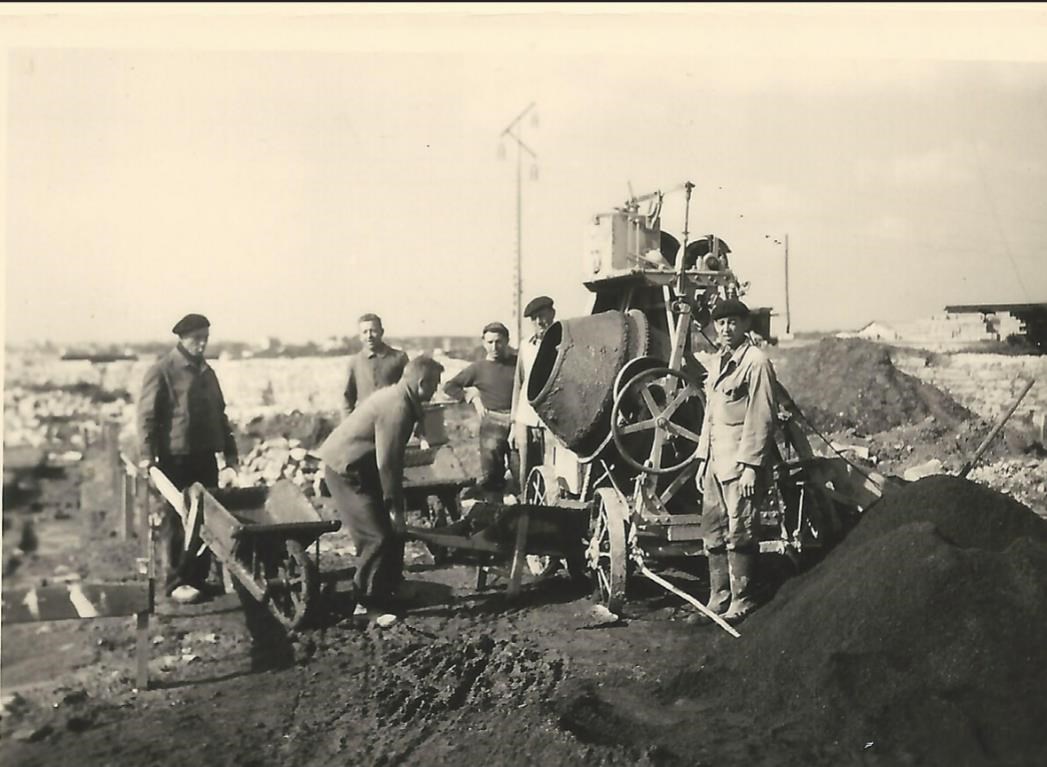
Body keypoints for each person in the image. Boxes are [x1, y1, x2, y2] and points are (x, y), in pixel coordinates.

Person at [315, 355, 444, 613]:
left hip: (362, 469)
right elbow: (388, 463)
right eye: (435, 383)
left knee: (393, 532)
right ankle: (366, 604)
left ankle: (391, 587)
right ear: (422, 383)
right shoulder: (397, 407)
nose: (436, 389)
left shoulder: (399, 396)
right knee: (377, 536)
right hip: (345, 472)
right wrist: (395, 507)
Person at [137, 313, 239, 603]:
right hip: (174, 457)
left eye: (205, 338)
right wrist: (147, 456)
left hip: (204, 456)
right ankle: (176, 581)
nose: (202, 344)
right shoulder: (163, 370)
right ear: (182, 339)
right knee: (176, 518)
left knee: (206, 518)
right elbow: (146, 417)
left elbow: (221, 415)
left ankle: (198, 577)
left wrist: (230, 454)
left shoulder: (207, 372)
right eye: (196, 338)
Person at [694, 298, 779, 625]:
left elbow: (762, 416)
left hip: (739, 465)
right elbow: (711, 415)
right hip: (716, 462)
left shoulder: (756, 362)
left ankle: (743, 599)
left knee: (740, 529)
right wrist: (703, 458)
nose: (726, 329)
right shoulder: (718, 362)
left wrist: (751, 467)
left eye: (732, 322)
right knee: (713, 530)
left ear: (745, 325)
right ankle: (718, 597)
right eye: (721, 323)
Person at [443, 322, 518, 501]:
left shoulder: (518, 363)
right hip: (492, 423)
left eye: (499, 342)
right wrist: (472, 397)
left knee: (521, 471)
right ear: (484, 343)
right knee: (492, 476)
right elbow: (450, 386)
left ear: (507, 341)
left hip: (517, 422)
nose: (494, 347)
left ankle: (523, 511)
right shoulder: (478, 368)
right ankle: (495, 513)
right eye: (490, 342)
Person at [510, 296, 556, 494]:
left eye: (543, 316)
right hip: (525, 417)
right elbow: (519, 383)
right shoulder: (526, 346)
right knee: (526, 470)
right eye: (534, 318)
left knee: (552, 469)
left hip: (552, 418)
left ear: (552, 314)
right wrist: (514, 423)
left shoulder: (562, 343)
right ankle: (526, 505)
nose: (539, 322)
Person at [342, 313, 409, 419]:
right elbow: (347, 399)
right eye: (364, 332)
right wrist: (348, 424)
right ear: (360, 336)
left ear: (382, 332)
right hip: (365, 422)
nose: (369, 336)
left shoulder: (399, 358)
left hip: (394, 420)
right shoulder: (355, 362)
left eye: (373, 331)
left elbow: (410, 392)